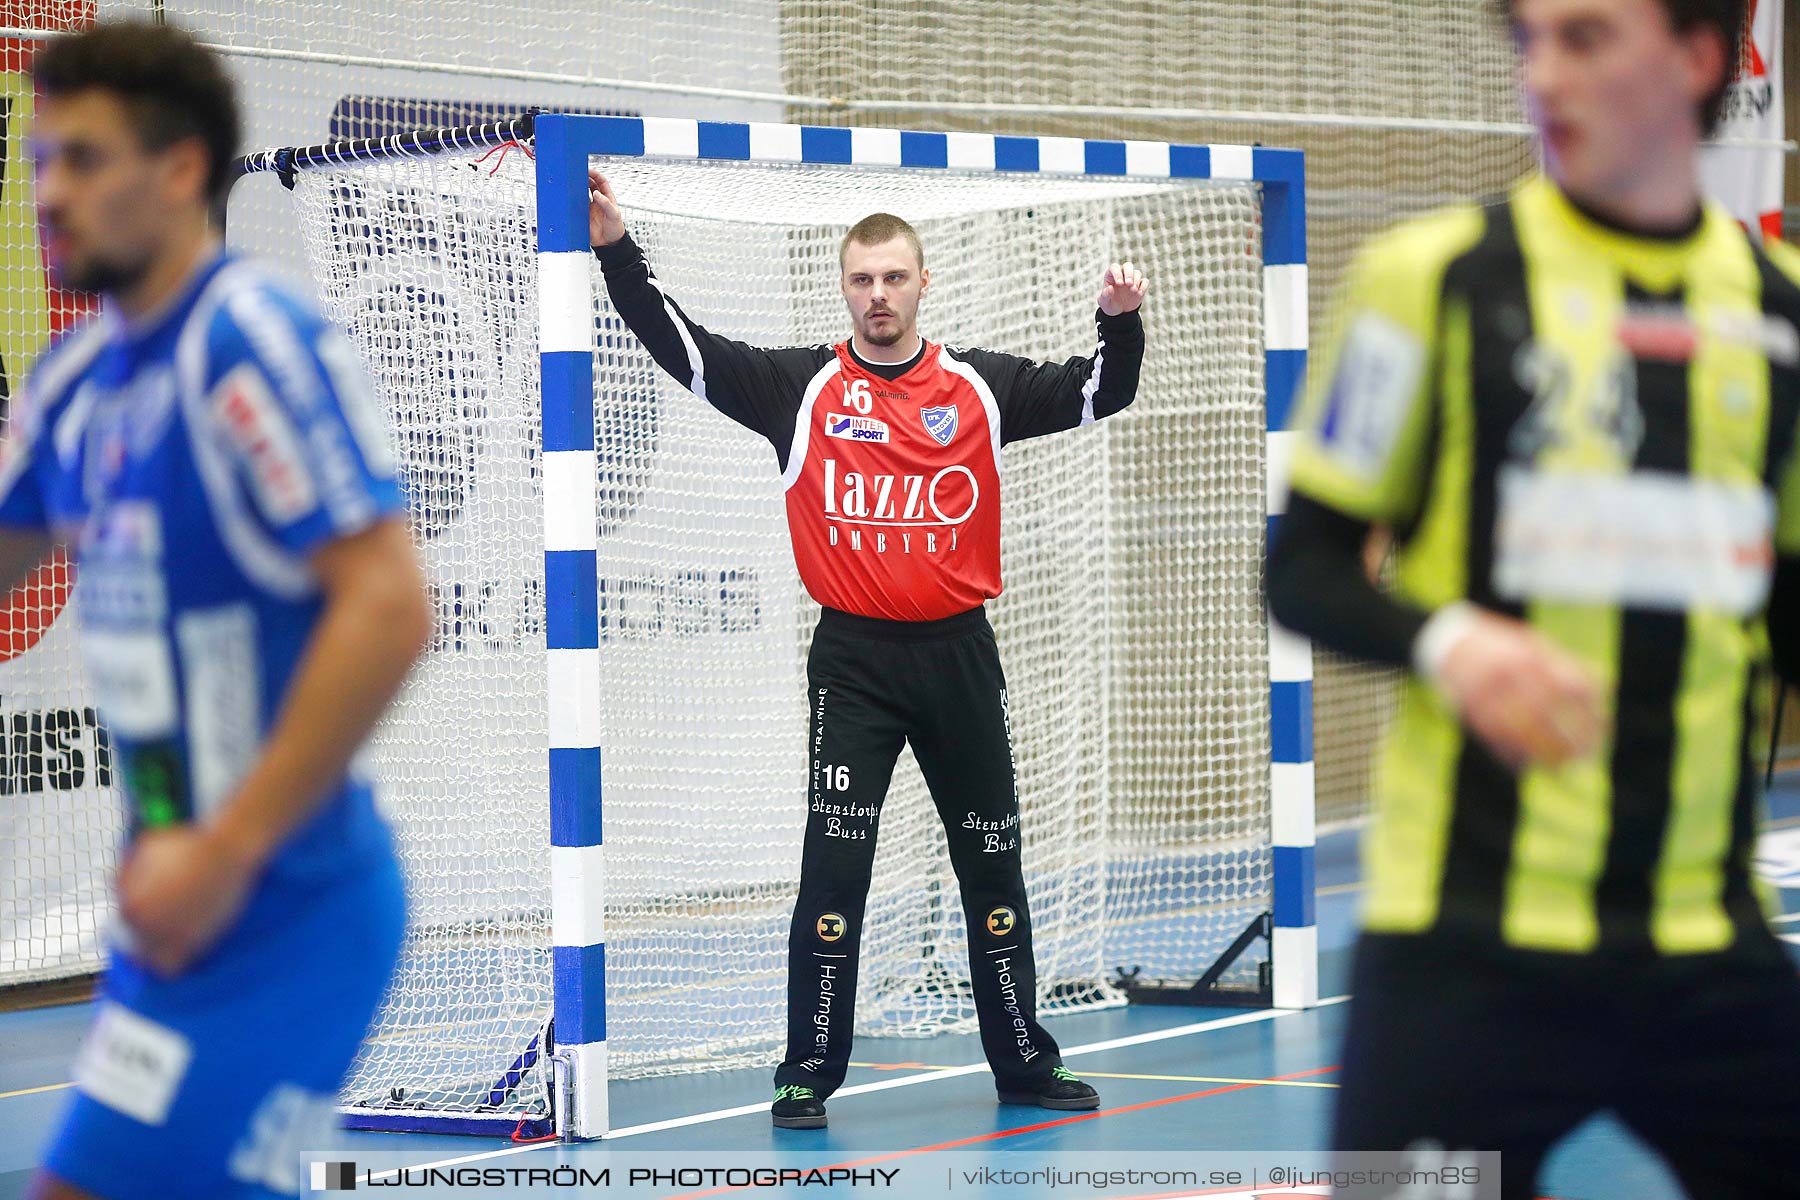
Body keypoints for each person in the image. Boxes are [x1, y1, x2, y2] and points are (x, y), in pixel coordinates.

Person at [1269, 0, 1800, 1196]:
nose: (1542, 74)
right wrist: (1454, 644)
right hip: (1462, 950)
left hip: (1709, 947)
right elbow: (1299, 566)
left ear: (1700, 60)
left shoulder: (1780, 318)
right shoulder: (1433, 280)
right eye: (1527, 41)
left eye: (1587, 38)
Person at [588, 174, 1146, 1128]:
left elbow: (1105, 392)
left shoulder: (978, 386)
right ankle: (806, 1070)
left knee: (993, 869)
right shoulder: (799, 389)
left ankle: (1023, 1063)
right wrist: (614, 248)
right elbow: (683, 350)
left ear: (922, 282)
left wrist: (1118, 320)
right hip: (853, 667)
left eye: (893, 277)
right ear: (843, 288)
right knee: (833, 879)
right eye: (861, 280)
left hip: (960, 661)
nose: (877, 295)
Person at [12, 21, 432, 1200]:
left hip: (283, 904)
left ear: (183, 169)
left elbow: (391, 605)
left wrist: (225, 849)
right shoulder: (75, 383)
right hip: (169, 914)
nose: (49, 194)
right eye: (40, 160)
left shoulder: (249, 342)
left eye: (83, 160)